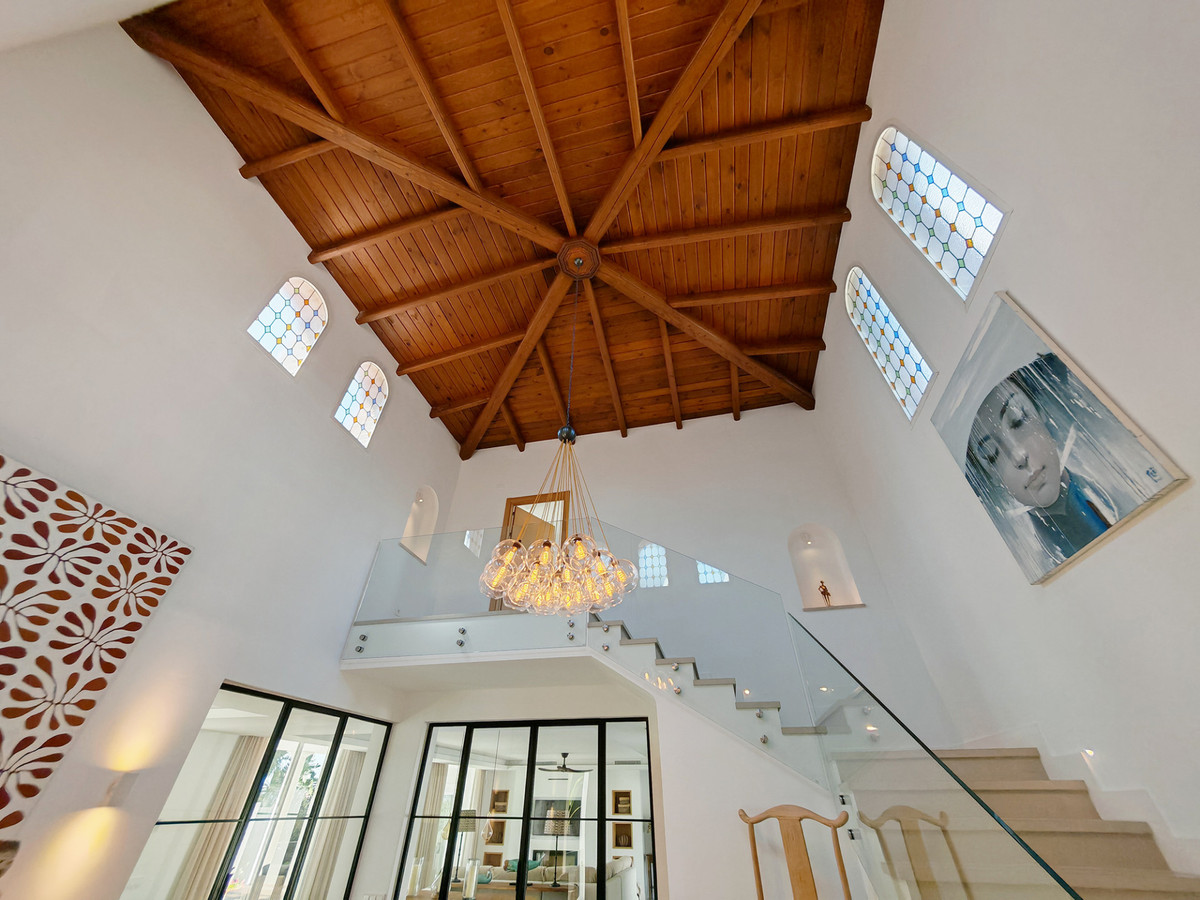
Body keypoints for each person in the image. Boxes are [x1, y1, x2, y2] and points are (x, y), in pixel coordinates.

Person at [964, 353, 1118, 565]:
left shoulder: (1108, 486)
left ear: (1041, 414)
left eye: (1018, 420)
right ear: (989, 478)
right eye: (991, 454)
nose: (1018, 457)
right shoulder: (1040, 554)